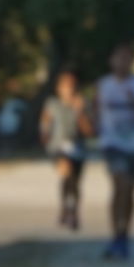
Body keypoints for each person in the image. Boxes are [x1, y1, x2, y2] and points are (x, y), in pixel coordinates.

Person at [92, 43, 134, 261]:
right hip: (112, 144)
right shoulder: (103, 85)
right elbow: (93, 114)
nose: (122, 62)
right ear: (111, 61)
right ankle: (115, 234)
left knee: (129, 193)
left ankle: (123, 235)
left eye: (127, 58)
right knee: (121, 184)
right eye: (118, 58)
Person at [39, 69, 91, 231]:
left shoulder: (82, 103)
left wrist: (79, 111)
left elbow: (88, 131)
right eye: (66, 86)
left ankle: (73, 210)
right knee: (66, 171)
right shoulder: (53, 104)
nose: (69, 89)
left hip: (78, 146)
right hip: (58, 146)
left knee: (75, 181)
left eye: (72, 86)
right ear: (59, 88)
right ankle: (64, 206)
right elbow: (45, 122)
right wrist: (45, 137)